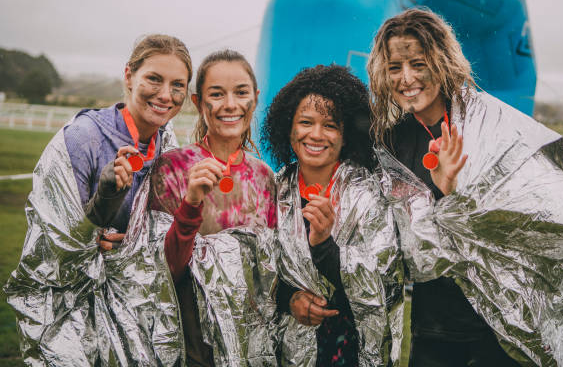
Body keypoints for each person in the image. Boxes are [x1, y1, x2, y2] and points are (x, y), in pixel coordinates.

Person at [367, 7, 563, 366]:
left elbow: (531, 217)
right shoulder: (389, 144)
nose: (406, 78)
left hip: (502, 325)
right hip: (434, 326)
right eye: (394, 67)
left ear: (441, 61)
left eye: (418, 64)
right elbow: (406, 244)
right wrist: (446, 192)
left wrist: (452, 193)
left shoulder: (491, 126)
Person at [5, 34, 192, 365]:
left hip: (137, 315)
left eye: (177, 85)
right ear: (129, 76)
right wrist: (103, 205)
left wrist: (134, 245)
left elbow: (164, 235)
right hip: (71, 312)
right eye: (154, 79)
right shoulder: (82, 139)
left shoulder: (167, 145)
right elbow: (52, 247)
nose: (166, 94)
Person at [262, 65, 404, 366]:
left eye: (330, 125)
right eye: (305, 122)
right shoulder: (275, 189)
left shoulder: (367, 194)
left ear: (346, 135)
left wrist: (324, 243)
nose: (315, 134)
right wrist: (290, 299)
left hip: (349, 350)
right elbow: (261, 273)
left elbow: (383, 285)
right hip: (290, 351)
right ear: (289, 128)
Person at [148, 49, 277, 366]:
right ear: (198, 102)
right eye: (216, 94)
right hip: (191, 346)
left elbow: (274, 270)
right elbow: (163, 272)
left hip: (252, 347)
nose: (230, 105)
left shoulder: (265, 177)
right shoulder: (172, 169)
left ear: (255, 99)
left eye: (241, 93)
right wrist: (191, 203)